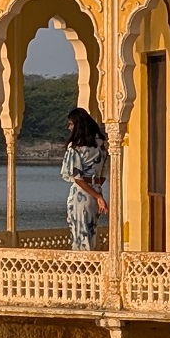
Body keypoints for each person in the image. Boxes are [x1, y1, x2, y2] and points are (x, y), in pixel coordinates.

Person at [61, 107, 109, 250]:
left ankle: (82, 268)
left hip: (82, 194)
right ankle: (89, 266)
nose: (70, 128)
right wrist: (97, 194)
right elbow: (103, 175)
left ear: (78, 125)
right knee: (90, 232)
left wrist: (98, 197)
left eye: (71, 124)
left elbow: (77, 178)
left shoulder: (75, 147)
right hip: (95, 191)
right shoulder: (101, 146)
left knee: (80, 235)